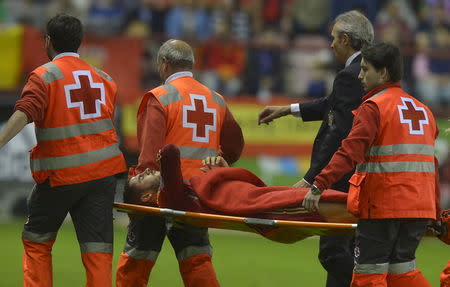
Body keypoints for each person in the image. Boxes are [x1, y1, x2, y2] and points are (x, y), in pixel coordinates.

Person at [0, 14, 127, 287]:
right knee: (98, 250)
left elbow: (25, 112)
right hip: (103, 175)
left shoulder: (44, 76)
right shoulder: (105, 78)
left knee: (37, 241)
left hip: (61, 175)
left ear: (48, 41)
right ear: (80, 42)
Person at [302, 42, 439, 287]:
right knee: (402, 271)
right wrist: (435, 211)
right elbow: (430, 164)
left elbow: (349, 151)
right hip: (420, 208)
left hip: (384, 205)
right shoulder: (424, 111)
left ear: (383, 73)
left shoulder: (374, 107)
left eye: (365, 69)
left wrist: (319, 183)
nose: (360, 75)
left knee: (368, 274)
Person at [258, 10, 374, 287]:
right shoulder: (365, 72)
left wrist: (312, 178)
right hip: (365, 176)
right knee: (350, 251)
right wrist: (288, 109)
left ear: (346, 39)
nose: (330, 44)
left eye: (333, 38)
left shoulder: (350, 75)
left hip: (343, 181)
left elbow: (338, 134)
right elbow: (331, 104)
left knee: (333, 252)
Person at [115, 39, 244, 287]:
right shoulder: (215, 99)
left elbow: (148, 159)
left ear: (164, 64)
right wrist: (218, 161)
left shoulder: (159, 97)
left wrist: (137, 203)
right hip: (197, 194)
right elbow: (235, 148)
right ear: (191, 65)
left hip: (159, 195)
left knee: (136, 262)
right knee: (197, 261)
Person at [124, 144, 356, 227]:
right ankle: (374, 212)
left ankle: (373, 211)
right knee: (338, 203)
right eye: (141, 178)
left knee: (336, 201)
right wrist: (159, 158)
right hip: (259, 204)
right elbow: (170, 152)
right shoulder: (170, 200)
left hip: (257, 197)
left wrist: (222, 170)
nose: (144, 171)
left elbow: (222, 195)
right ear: (146, 197)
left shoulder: (183, 195)